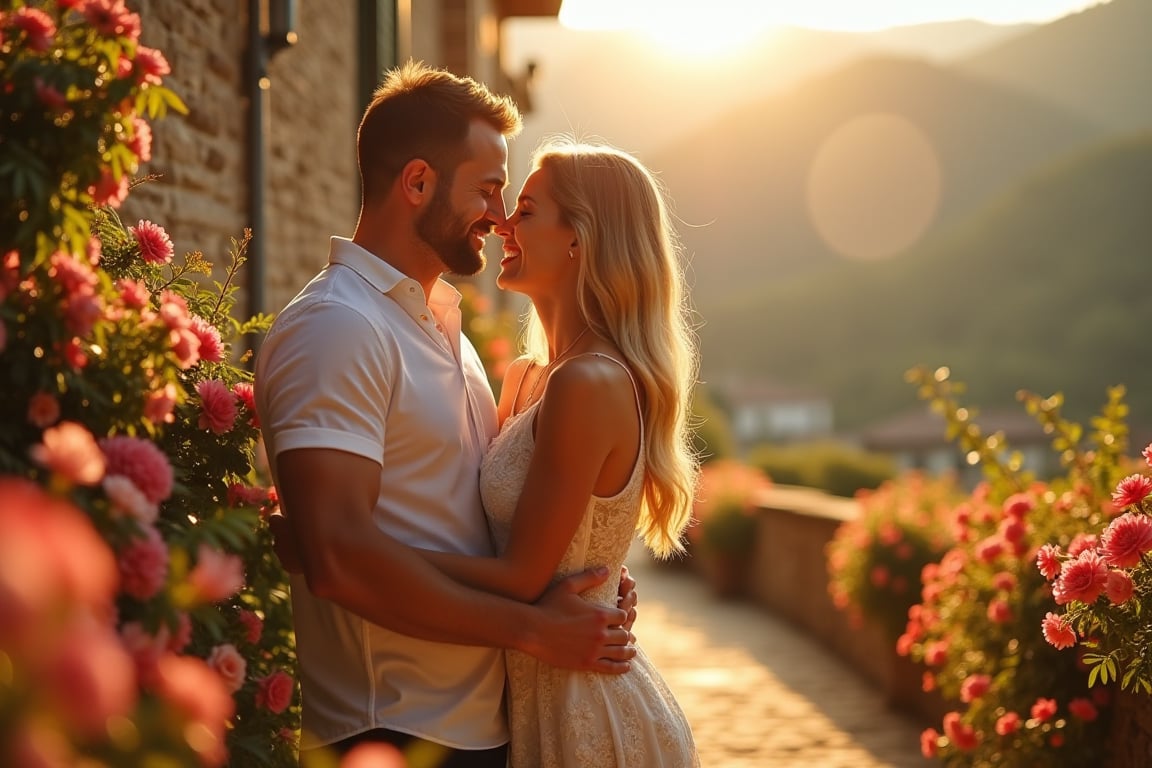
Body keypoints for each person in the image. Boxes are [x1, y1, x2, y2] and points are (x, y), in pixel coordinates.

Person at [253, 62, 638, 768]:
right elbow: (339, 561)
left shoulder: (442, 328)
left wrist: (582, 575)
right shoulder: (337, 327)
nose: (499, 216)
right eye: (488, 191)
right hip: (390, 731)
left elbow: (466, 520)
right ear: (418, 183)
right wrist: (532, 629)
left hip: (482, 726)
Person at [414, 138, 701, 766]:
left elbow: (520, 575)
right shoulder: (524, 377)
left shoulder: (589, 382)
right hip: (524, 702)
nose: (502, 224)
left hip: (589, 713)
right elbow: (488, 532)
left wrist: (360, 552)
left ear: (581, 238)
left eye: (527, 211)